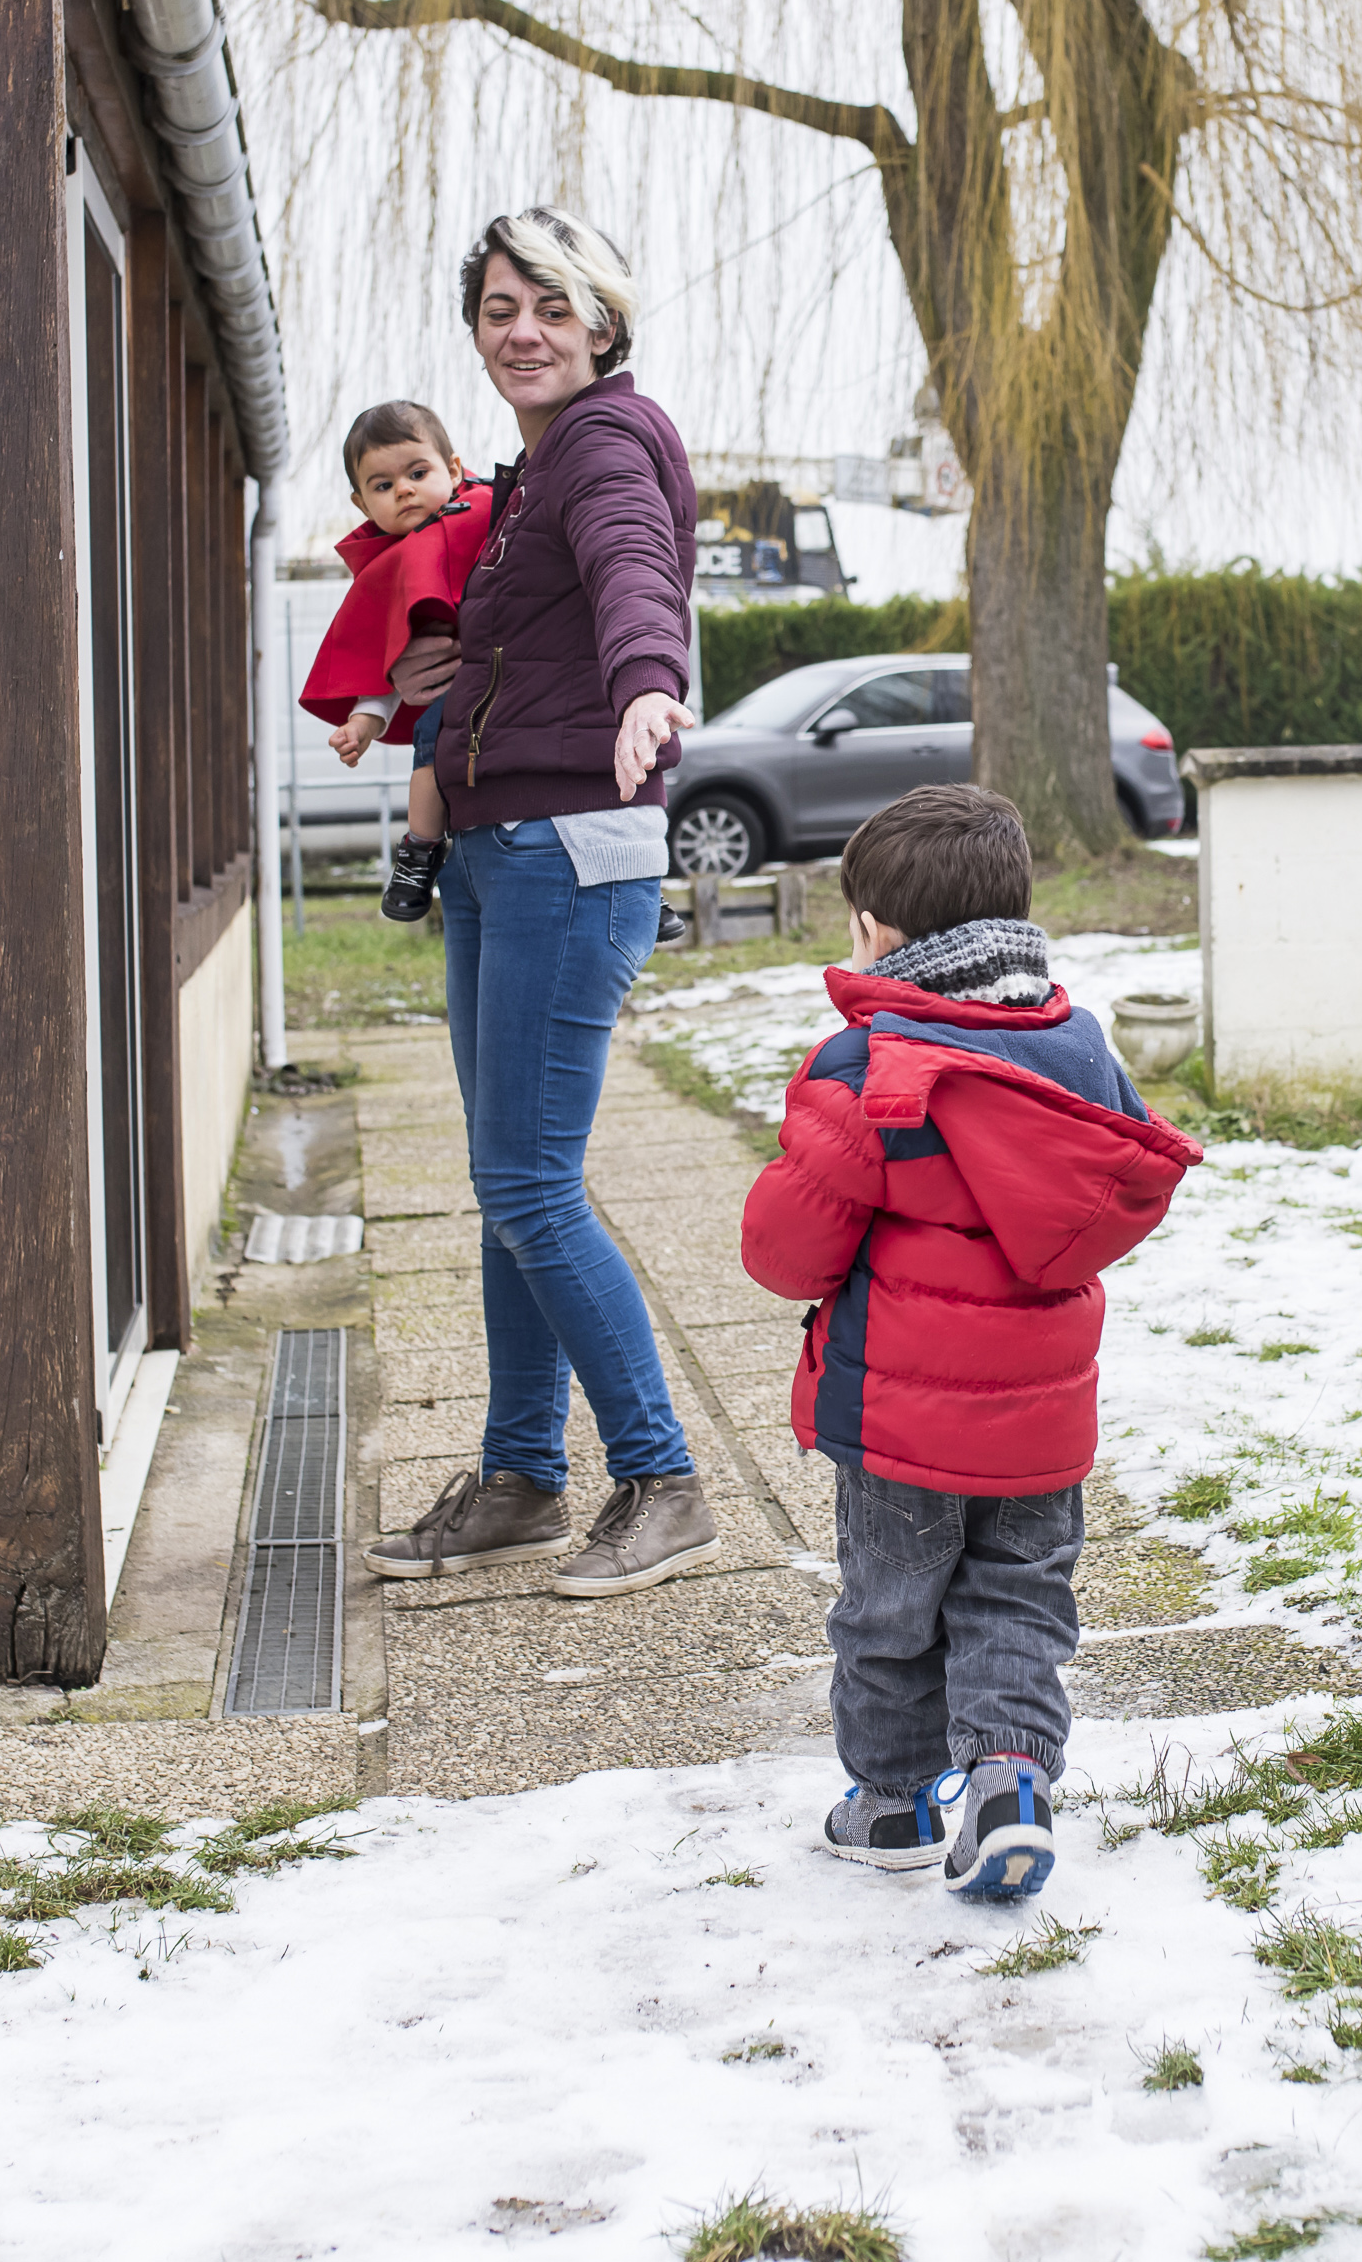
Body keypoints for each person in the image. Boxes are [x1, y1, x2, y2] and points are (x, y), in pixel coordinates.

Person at [738, 784, 1204, 1902]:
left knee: (890, 1607)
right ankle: (1006, 1785)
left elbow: (788, 1254)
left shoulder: (868, 1068)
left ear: (884, 934)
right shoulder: (1079, 1051)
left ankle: (892, 1801)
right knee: (1017, 1599)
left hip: (899, 1420)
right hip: (1042, 1414)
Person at [362, 208, 721, 1599]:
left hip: (570, 850)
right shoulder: (527, 472)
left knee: (527, 1181)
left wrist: (645, 680)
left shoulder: (607, 448)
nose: (521, 328)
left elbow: (638, 574)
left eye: (551, 307)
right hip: (501, 852)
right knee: (506, 1183)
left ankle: (664, 1475)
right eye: (499, 307)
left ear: (603, 326)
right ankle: (520, 1475)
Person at [298, 401, 497, 925]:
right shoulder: (393, 567)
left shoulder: (496, 517)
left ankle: (639, 874)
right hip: (455, 698)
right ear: (361, 503)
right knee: (431, 739)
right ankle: (419, 850)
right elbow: (389, 655)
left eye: (417, 473)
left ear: (453, 470)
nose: (404, 490)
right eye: (382, 486)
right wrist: (365, 721)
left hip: (524, 691)